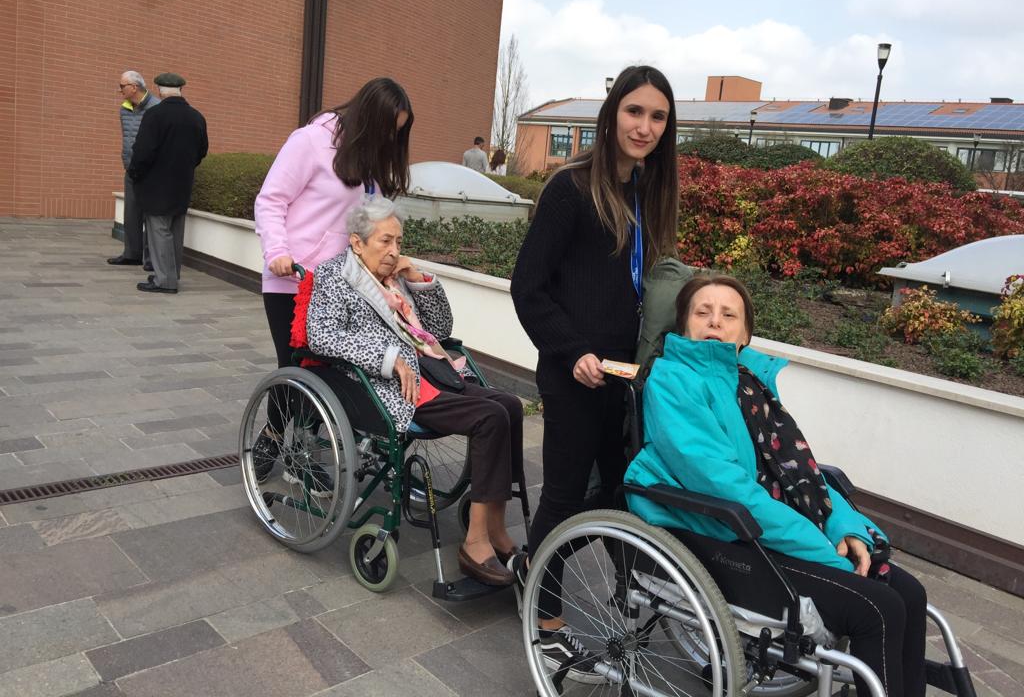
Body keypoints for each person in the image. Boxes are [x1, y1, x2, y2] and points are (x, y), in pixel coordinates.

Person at [625, 275, 927, 697]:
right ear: (683, 326)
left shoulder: (751, 382)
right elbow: (722, 486)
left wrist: (846, 529)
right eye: (702, 312)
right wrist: (823, 550)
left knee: (910, 592)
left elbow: (802, 474)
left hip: (765, 527)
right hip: (721, 531)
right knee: (878, 608)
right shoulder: (673, 381)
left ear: (744, 334)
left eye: (729, 315)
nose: (715, 321)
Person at [509, 65, 680, 679]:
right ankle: (545, 617)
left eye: (657, 117)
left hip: (625, 377)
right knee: (563, 496)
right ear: (612, 116)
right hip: (574, 373)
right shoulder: (571, 189)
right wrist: (572, 351)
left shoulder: (646, 191)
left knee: (620, 493)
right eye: (635, 111)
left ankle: (608, 592)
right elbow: (528, 288)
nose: (645, 126)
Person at [306, 198, 525, 586]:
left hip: (432, 373)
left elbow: (439, 330)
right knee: (490, 417)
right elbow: (321, 336)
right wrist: (389, 359)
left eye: (398, 241)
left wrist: (417, 277)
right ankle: (475, 542)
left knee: (509, 405)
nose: (394, 250)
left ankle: (494, 524)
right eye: (385, 241)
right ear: (357, 242)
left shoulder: (393, 280)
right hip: (387, 387)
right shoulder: (334, 276)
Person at [252, 77, 414, 490]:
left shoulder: (370, 161)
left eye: (397, 133)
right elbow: (271, 200)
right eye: (388, 129)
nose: (391, 139)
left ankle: (291, 447)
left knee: (329, 370)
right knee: (297, 367)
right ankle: (283, 443)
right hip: (295, 279)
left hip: (343, 285)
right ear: (368, 119)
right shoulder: (310, 141)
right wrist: (277, 252)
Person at [128, 72, 208, 294]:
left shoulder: (154, 115)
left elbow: (142, 152)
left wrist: (135, 173)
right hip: (182, 183)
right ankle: (171, 274)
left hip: (156, 184)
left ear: (160, 91)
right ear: (181, 90)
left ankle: (164, 280)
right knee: (175, 231)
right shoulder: (197, 117)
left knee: (159, 231)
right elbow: (202, 151)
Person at [108, 70, 159, 268]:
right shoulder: (124, 109)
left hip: (151, 171)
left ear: (134, 87)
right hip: (131, 168)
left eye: (122, 86)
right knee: (131, 213)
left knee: (151, 216)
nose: (119, 90)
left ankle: (151, 260)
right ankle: (132, 254)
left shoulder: (156, 108)